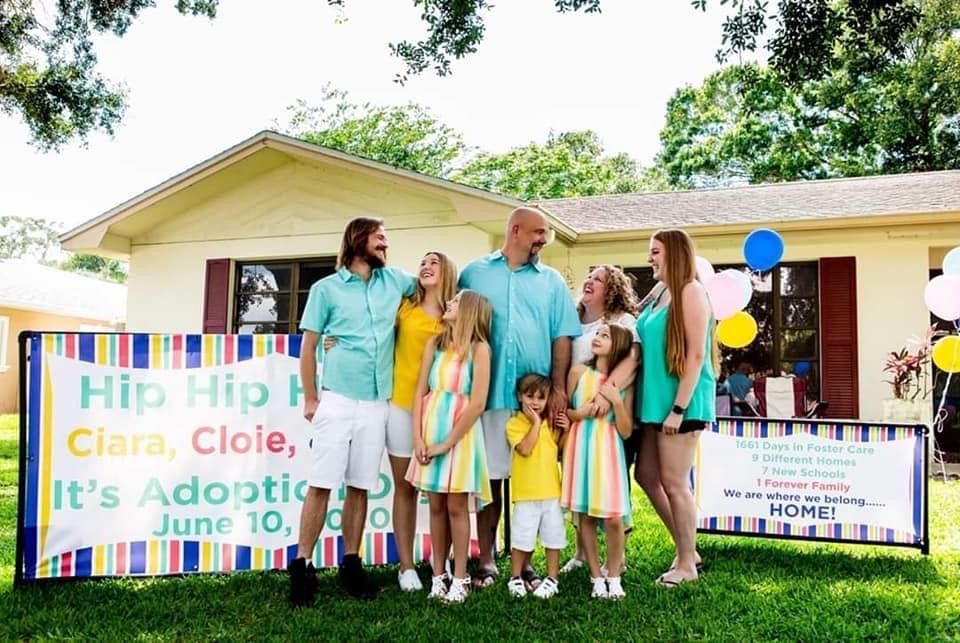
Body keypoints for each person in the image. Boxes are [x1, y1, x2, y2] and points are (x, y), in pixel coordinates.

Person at [289, 216, 415, 606]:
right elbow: (309, 346)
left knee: (359, 485)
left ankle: (351, 563)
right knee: (321, 484)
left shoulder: (395, 281)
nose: (385, 244)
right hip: (338, 399)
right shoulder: (326, 289)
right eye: (380, 238)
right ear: (358, 240)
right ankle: (302, 566)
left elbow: (433, 285)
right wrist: (311, 398)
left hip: (378, 402)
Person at [458, 206, 581, 589]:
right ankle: (487, 559)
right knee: (491, 480)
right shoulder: (473, 273)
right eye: (538, 233)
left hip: (535, 400)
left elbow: (563, 336)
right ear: (515, 231)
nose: (543, 240)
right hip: (489, 395)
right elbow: (455, 322)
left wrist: (559, 388)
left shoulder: (552, 281)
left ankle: (524, 560)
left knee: (531, 481)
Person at [323, 251, 457, 592]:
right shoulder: (404, 308)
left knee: (440, 491)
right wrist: (335, 338)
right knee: (406, 487)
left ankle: (441, 562)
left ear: (448, 272)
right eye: (422, 262)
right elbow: (368, 327)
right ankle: (406, 566)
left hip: (439, 410)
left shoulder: (455, 316)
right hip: (399, 404)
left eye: (434, 263)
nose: (425, 267)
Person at [635, 228, 717, 588]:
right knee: (646, 476)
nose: (649, 258)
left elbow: (697, 355)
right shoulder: (661, 292)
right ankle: (688, 548)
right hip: (655, 403)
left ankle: (687, 565)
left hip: (682, 403)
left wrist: (679, 408)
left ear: (674, 253)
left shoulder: (691, 291)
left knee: (674, 483)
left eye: (655, 251)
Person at [405, 289, 493, 604]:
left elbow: (478, 401)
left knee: (457, 505)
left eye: (456, 302)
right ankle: (438, 573)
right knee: (436, 505)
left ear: (469, 310)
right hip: (431, 425)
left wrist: (447, 442)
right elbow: (419, 391)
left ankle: (460, 576)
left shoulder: (479, 349)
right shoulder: (435, 344)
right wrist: (417, 437)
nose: (449, 304)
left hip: (460, 433)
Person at [562, 264, 640, 575]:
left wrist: (604, 396)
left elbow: (632, 361)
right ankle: (582, 553)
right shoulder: (572, 319)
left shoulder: (623, 322)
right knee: (581, 481)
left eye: (599, 280)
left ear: (613, 291)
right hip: (580, 417)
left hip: (609, 415)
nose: (589, 281)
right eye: (589, 276)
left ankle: (616, 558)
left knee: (611, 486)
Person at [561, 322, 635, 600]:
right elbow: (567, 412)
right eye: (598, 333)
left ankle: (613, 575)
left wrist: (616, 401)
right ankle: (595, 576)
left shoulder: (622, 383)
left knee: (614, 518)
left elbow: (626, 430)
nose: (598, 338)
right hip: (581, 446)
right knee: (586, 517)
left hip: (609, 449)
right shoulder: (579, 372)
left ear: (618, 345)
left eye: (606, 335)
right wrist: (579, 412)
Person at [505, 373, 569, 599]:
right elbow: (524, 449)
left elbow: (560, 450)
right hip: (526, 493)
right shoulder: (514, 424)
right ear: (520, 397)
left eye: (541, 398)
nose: (535, 402)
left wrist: (567, 430)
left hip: (551, 492)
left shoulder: (550, 425)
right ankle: (515, 577)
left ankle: (552, 578)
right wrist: (534, 423)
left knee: (553, 537)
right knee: (522, 537)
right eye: (529, 396)